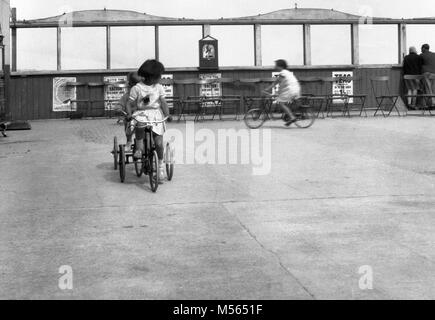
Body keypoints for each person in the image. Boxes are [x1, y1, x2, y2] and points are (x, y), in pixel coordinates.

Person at [126, 60, 172, 181]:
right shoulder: (137, 88)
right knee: (139, 125)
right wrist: (129, 114)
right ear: (151, 76)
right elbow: (129, 103)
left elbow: (163, 103)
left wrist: (168, 114)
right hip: (142, 113)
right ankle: (139, 149)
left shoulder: (159, 87)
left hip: (156, 114)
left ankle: (160, 166)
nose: (160, 78)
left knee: (158, 142)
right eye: (159, 75)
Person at [263, 59, 301, 126]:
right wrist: (276, 93)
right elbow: (282, 85)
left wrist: (267, 89)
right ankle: (289, 116)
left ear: (280, 66)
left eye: (276, 65)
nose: (274, 67)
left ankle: (292, 117)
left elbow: (276, 83)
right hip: (294, 89)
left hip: (290, 90)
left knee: (281, 103)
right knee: (282, 100)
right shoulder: (287, 72)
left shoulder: (283, 73)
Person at [119, 72, 142, 151]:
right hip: (131, 117)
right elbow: (121, 104)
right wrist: (119, 108)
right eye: (134, 85)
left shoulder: (142, 94)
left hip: (143, 117)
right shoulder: (127, 96)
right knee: (129, 125)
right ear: (130, 85)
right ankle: (129, 141)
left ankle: (149, 142)